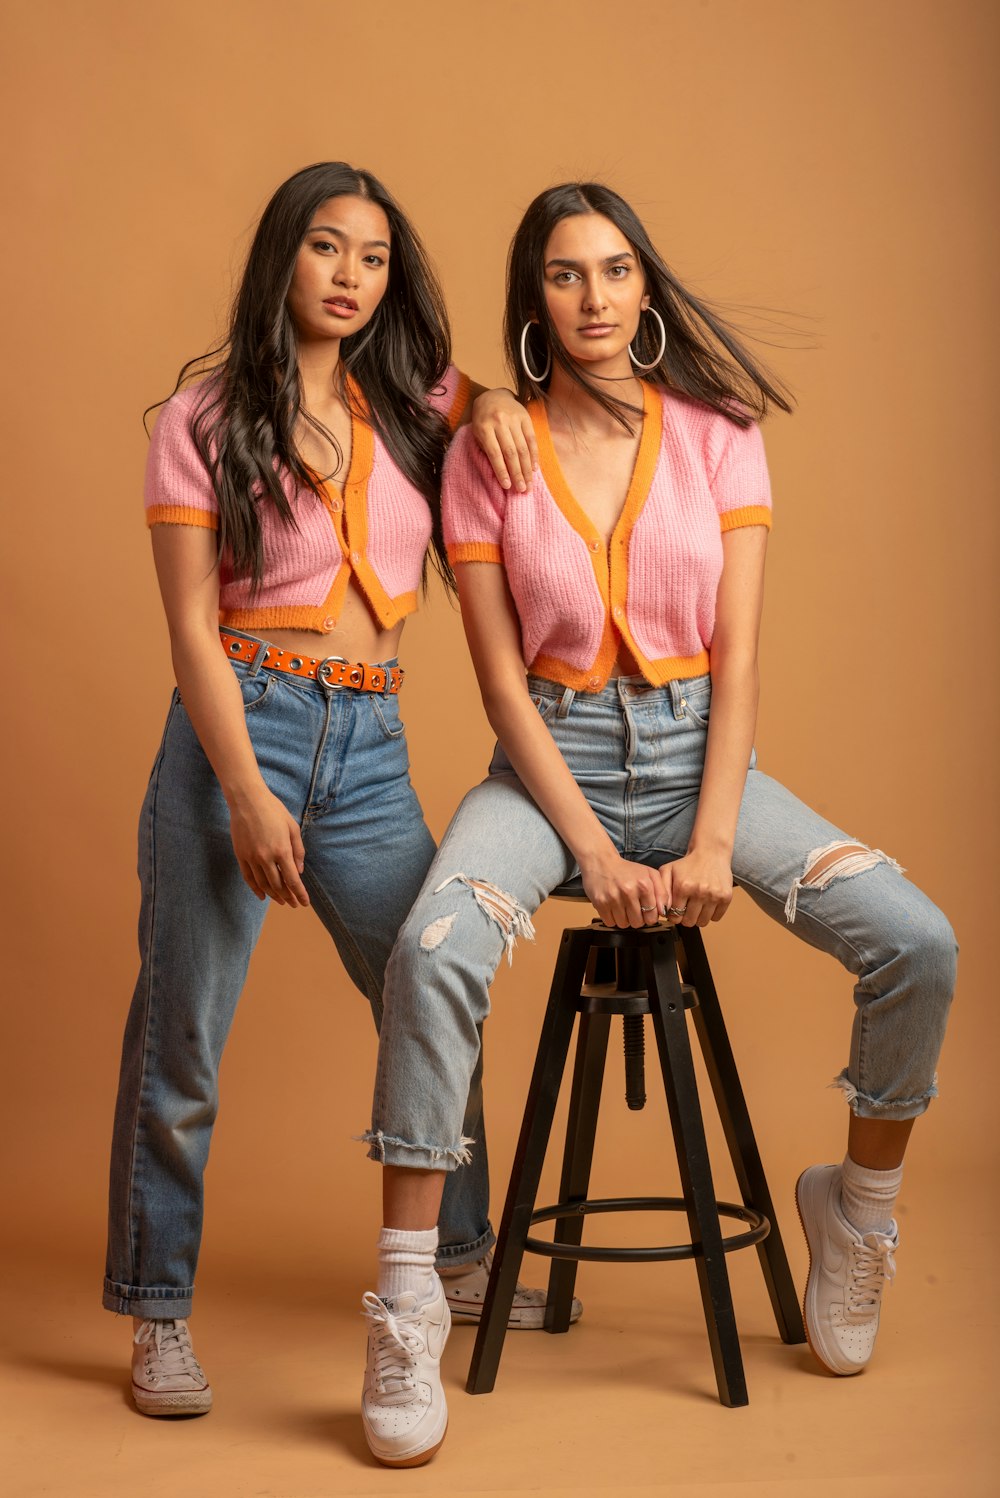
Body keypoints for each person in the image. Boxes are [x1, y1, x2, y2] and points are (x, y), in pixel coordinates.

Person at [357, 182, 957, 1467]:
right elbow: (499, 685)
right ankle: (407, 1300)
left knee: (919, 942)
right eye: (565, 277)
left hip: (701, 758)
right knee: (430, 953)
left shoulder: (718, 434)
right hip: (547, 766)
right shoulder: (488, 451)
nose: (594, 299)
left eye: (616, 271)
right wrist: (591, 851)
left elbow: (737, 661)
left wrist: (707, 836)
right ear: (534, 300)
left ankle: (856, 1211)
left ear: (644, 284)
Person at [104, 160, 561, 1419]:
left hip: (368, 742)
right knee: (180, 1040)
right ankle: (157, 1315)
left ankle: (456, 1256)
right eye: (325, 248)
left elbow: (503, 403)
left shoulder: (412, 398)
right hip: (234, 729)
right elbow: (191, 632)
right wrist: (247, 793)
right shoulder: (197, 419)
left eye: (371, 255)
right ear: (282, 261)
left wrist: (505, 403)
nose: (350, 275)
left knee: (433, 981)